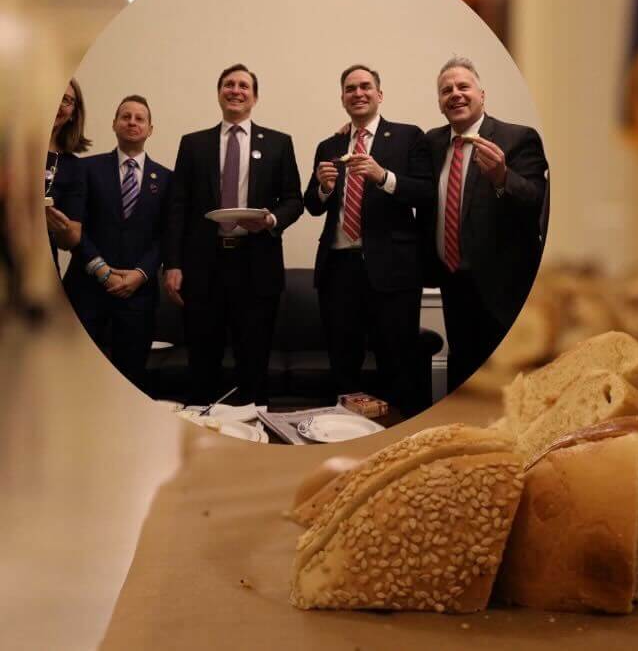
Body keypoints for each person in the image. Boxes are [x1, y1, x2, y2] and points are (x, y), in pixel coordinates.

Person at [163, 64, 303, 406]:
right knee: (202, 358)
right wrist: (173, 264)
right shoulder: (193, 144)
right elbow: (178, 206)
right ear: (219, 93)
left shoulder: (278, 143)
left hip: (257, 265)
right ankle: (200, 427)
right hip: (203, 266)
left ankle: (253, 429)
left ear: (254, 97)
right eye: (229, 84)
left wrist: (271, 219)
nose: (235, 90)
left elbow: (294, 201)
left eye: (243, 85)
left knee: (253, 359)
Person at [304, 65, 429, 415]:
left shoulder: (408, 137)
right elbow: (311, 206)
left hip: (393, 271)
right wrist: (323, 188)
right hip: (338, 269)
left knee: (396, 360)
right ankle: (345, 434)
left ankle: (397, 440)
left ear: (379, 94)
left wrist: (383, 176)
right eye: (349, 88)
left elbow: (426, 192)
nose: (358, 93)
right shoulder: (329, 145)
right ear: (342, 98)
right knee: (343, 361)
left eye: (365, 87)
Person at [417, 57, 549, 391]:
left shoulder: (517, 138)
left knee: (508, 382)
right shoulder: (430, 144)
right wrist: (350, 130)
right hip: (452, 282)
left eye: (463, 86)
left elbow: (535, 199)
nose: (455, 94)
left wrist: (502, 177)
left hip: (503, 285)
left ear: (482, 94)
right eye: (446, 90)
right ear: (439, 103)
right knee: (464, 377)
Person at [62, 95, 171, 389]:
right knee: (77, 379)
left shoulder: (166, 179)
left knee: (130, 380)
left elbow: (166, 235)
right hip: (86, 290)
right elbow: (74, 227)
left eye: (140, 118)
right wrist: (102, 271)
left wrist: (141, 274)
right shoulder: (86, 169)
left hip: (138, 295)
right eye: (126, 116)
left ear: (150, 129)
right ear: (114, 124)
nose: (132, 122)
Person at [44, 79, 92, 272]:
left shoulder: (74, 166)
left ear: (73, 113)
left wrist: (60, 226)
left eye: (66, 100)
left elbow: (71, 239)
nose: (57, 103)